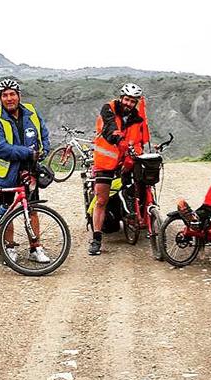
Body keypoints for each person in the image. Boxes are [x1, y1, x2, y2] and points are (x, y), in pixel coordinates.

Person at [0, 78, 51, 263]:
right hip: (5, 173)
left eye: (12, 94)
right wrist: (29, 152)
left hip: (29, 170)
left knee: (32, 209)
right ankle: (9, 248)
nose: (9, 98)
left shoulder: (31, 112)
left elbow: (43, 133)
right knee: (7, 211)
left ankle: (35, 248)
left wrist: (44, 149)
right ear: (0, 98)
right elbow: (0, 148)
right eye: (4, 95)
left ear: (19, 95)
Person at [89, 82, 150, 255]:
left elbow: (138, 142)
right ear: (121, 97)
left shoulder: (138, 119)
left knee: (140, 186)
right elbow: (109, 128)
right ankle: (96, 239)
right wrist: (119, 140)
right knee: (101, 200)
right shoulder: (108, 109)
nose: (128, 104)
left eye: (132, 101)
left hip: (125, 163)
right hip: (105, 162)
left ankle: (140, 218)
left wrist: (136, 154)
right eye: (127, 99)